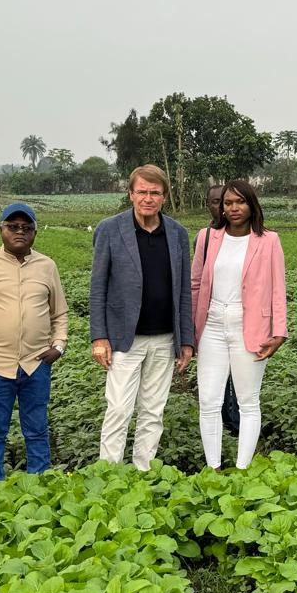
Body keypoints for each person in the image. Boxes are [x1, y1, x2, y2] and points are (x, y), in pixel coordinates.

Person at [90, 165, 195, 470]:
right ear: (131, 194)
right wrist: (99, 337)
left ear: (165, 196)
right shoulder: (110, 229)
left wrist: (186, 340)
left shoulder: (177, 233)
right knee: (118, 409)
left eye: (155, 193)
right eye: (142, 192)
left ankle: (143, 473)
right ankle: (109, 474)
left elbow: (184, 291)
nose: (148, 198)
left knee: (153, 411)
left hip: (164, 338)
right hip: (125, 339)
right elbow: (98, 288)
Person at [0, 203, 67, 493]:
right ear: (1, 230)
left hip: (36, 363)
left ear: (35, 233)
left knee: (37, 429)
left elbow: (59, 313)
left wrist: (59, 345)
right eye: (13, 226)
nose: (20, 232)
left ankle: (40, 488)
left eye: (26, 227)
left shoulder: (47, 266)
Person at [191, 180, 287, 469]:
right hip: (212, 325)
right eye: (228, 203)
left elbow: (278, 289)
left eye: (240, 202)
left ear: (251, 205)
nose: (233, 208)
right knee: (209, 401)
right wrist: (189, 330)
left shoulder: (269, 240)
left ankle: (243, 469)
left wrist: (279, 332)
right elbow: (195, 284)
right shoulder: (207, 237)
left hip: (250, 325)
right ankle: (214, 468)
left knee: (248, 401)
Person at [204, 183, 241, 436]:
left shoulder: (251, 236)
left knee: (239, 377)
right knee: (217, 378)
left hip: (240, 318)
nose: (222, 208)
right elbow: (198, 281)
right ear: (209, 205)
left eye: (224, 202)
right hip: (214, 319)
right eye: (216, 202)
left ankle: (236, 422)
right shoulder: (205, 237)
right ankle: (221, 420)